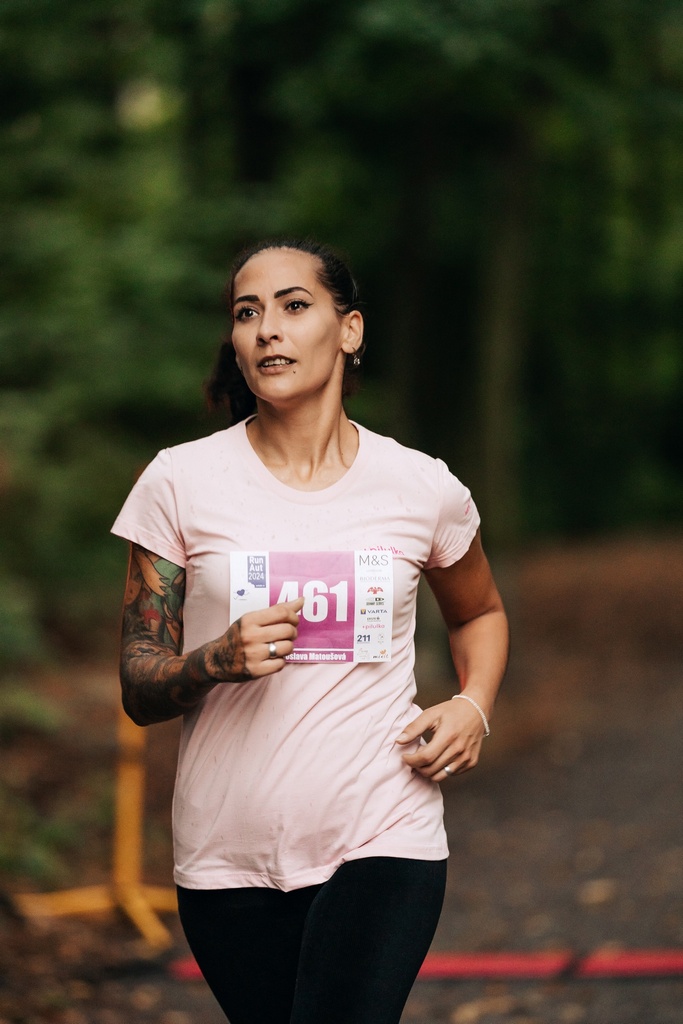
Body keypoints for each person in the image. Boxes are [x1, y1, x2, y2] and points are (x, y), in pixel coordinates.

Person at [112, 238, 509, 1024]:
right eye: (246, 313)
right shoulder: (179, 482)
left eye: (294, 306)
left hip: (382, 830)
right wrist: (214, 660)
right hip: (226, 854)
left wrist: (473, 704)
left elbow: (478, 612)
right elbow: (137, 681)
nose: (267, 328)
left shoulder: (420, 486)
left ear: (348, 329)